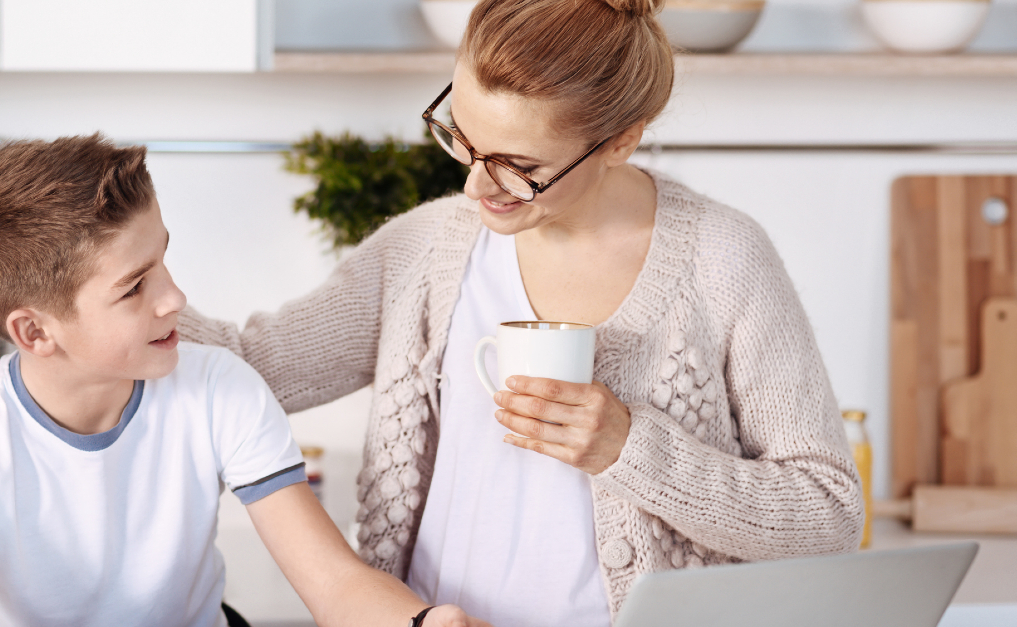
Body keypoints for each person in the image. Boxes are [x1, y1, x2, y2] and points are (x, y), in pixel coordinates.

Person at [179, 0, 866, 625]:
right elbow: (243, 367)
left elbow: (828, 512)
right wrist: (100, 281)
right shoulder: (425, 251)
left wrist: (630, 448)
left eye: (519, 164)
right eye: (464, 139)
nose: (476, 183)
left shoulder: (724, 259)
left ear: (622, 139)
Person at [0, 135, 489, 627]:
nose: (175, 298)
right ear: (35, 333)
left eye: (163, 261)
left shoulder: (219, 387)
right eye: (133, 287)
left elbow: (333, 583)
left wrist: (420, 623)